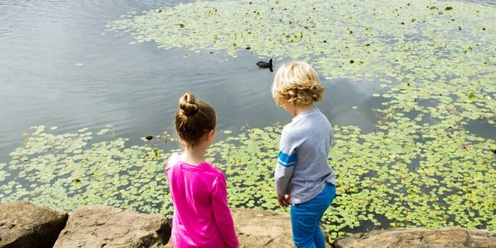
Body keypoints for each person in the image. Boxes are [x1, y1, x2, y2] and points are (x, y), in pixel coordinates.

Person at [271, 61, 337, 248]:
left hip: (307, 197)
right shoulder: (323, 120)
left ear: (286, 96)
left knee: (302, 240)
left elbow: (283, 172)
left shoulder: (292, 132)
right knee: (311, 228)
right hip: (326, 188)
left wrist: (280, 192)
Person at [165, 92, 238, 248]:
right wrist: (233, 244)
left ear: (180, 133)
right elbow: (223, 218)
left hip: (181, 240)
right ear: (210, 135)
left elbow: (176, 199)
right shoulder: (213, 178)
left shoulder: (172, 163)